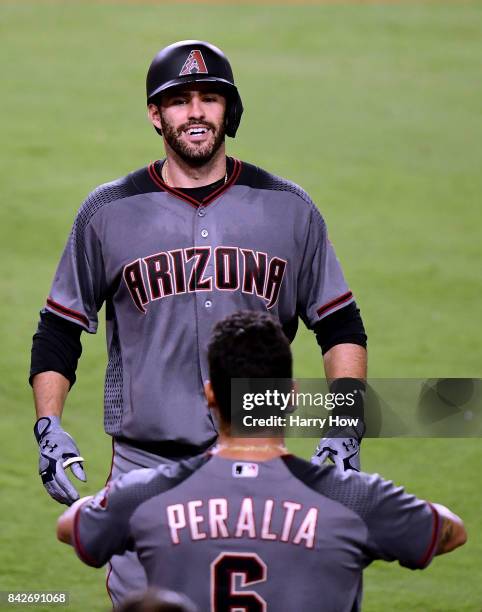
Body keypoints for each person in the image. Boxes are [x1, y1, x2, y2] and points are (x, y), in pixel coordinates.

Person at [31, 40, 367, 603]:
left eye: (209, 99)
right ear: (154, 114)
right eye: (179, 100)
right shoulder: (106, 212)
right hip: (146, 470)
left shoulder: (289, 207)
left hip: (262, 469)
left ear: (228, 112)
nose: (195, 112)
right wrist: (49, 426)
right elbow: (59, 331)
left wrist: (346, 421)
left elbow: (340, 326)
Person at [57, 311, 466, 612]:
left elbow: (72, 528)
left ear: (211, 394)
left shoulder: (145, 495)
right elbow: (450, 532)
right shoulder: (354, 500)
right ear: (288, 395)